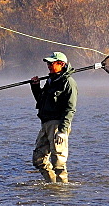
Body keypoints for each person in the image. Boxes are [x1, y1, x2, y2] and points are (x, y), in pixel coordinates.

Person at [30, 51, 77, 184]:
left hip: (58, 125)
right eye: (48, 63)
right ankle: (52, 185)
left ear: (61, 64)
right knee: (38, 159)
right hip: (45, 124)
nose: (49, 65)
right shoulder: (51, 81)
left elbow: (70, 109)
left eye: (52, 63)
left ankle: (62, 191)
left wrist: (63, 131)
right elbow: (41, 101)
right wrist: (35, 87)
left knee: (59, 163)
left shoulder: (69, 83)